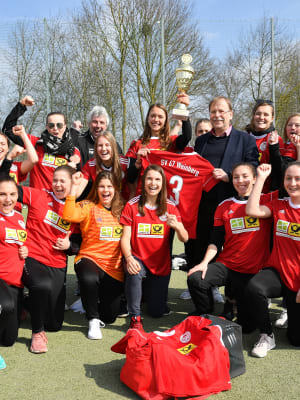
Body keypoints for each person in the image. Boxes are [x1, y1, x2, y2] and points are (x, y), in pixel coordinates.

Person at [187, 163, 277, 330]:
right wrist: (204, 263)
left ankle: (238, 306)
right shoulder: (224, 206)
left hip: (254, 272)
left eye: (245, 176)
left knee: (247, 328)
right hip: (228, 265)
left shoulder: (267, 200)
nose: (240, 180)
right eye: (236, 177)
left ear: (255, 179)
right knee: (196, 278)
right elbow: (215, 240)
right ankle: (206, 315)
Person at [188, 96, 259, 268]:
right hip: (204, 204)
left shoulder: (246, 139)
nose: (217, 115)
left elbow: (253, 167)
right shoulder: (201, 141)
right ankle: (203, 285)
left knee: (233, 247)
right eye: (213, 111)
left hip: (233, 204)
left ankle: (231, 292)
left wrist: (229, 176)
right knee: (204, 244)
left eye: (221, 111)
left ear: (231, 114)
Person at [18, 165, 78, 353]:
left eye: (63, 181)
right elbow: (9, 190)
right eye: (55, 180)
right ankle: (37, 334)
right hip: (32, 256)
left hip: (57, 264)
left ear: (71, 184)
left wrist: (69, 247)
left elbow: (78, 244)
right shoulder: (38, 195)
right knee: (41, 285)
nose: (58, 185)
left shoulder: (75, 209)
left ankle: (25, 302)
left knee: (54, 324)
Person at [120, 165, 188, 329]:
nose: (153, 183)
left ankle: (144, 294)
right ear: (143, 182)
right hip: (138, 258)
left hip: (160, 264)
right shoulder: (132, 205)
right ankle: (135, 317)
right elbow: (125, 238)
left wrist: (178, 227)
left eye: (157, 179)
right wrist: (129, 258)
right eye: (149, 179)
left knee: (156, 312)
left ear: (163, 183)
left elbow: (184, 237)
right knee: (134, 271)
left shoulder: (169, 206)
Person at [245, 163, 300, 357]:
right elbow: (251, 210)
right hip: (277, 272)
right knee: (255, 287)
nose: (292, 183)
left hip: (298, 280)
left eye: (297, 179)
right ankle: (267, 336)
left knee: (296, 340)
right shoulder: (279, 205)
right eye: (288, 178)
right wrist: (260, 178)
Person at [62, 171, 124, 340]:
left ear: (116, 189)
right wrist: (74, 186)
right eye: (102, 186)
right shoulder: (88, 206)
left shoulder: (123, 210)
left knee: (110, 317)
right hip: (90, 258)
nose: (106, 190)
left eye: (109, 186)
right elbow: (68, 215)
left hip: (114, 267)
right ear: (96, 189)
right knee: (89, 279)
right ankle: (93, 320)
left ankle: (89, 301)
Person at [2, 95, 81, 190]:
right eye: (51, 125)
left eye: (59, 125)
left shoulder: (73, 151)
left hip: (60, 202)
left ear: (65, 126)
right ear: (47, 127)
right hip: (38, 201)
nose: (55, 128)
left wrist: (75, 166)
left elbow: (80, 179)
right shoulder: (36, 143)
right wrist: (21, 105)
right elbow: (8, 129)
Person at [126, 95, 192, 191]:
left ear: (165, 121)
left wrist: (183, 108)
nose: (156, 120)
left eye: (160, 117)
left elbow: (187, 136)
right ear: (148, 118)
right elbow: (129, 178)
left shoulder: (171, 142)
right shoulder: (136, 144)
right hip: (143, 198)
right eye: (153, 116)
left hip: (166, 197)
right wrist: (137, 164)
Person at [0, 176, 28, 348]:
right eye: (2, 194)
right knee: (7, 306)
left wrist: (25, 249)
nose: (8, 199)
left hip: (16, 283)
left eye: (12, 194)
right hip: (1, 279)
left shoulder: (18, 217)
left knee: (9, 339)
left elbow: (22, 242)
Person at [78, 131, 131, 201]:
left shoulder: (125, 163)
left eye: (107, 145)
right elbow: (78, 190)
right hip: (101, 205)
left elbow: (133, 191)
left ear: (113, 147)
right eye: (100, 145)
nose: (103, 149)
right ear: (96, 148)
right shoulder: (90, 165)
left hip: (123, 204)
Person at [245, 99, 284, 192]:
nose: (261, 117)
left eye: (266, 114)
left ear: (272, 118)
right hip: (245, 190)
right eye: (258, 114)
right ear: (253, 116)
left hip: (266, 192)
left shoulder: (276, 139)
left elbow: (279, 168)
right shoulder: (244, 137)